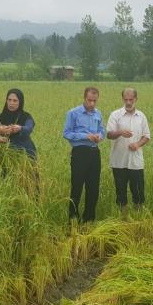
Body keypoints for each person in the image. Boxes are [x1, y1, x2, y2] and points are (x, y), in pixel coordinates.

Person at [106, 87, 151, 218]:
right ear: (122, 99)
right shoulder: (115, 115)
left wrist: (137, 144)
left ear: (136, 99)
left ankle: (139, 217)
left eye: (131, 99)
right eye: (126, 99)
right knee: (120, 191)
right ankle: (123, 218)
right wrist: (120, 132)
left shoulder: (141, 116)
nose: (128, 102)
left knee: (138, 190)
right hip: (119, 161)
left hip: (136, 161)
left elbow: (147, 136)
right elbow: (109, 135)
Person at [63, 86, 105, 222]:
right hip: (79, 153)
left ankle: (89, 219)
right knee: (77, 187)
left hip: (94, 153)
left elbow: (102, 131)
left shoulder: (98, 113)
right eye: (89, 100)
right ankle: (73, 219)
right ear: (84, 98)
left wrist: (99, 136)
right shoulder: (73, 113)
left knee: (93, 188)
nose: (92, 104)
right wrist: (85, 136)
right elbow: (67, 133)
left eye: (94, 101)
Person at [0, 88, 39, 191]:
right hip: (8, 154)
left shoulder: (26, 116)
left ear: (20, 102)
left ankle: (33, 203)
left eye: (15, 101)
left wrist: (20, 128)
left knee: (30, 182)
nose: (11, 103)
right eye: (9, 100)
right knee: (8, 180)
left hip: (26, 153)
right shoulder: (1, 117)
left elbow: (29, 128)